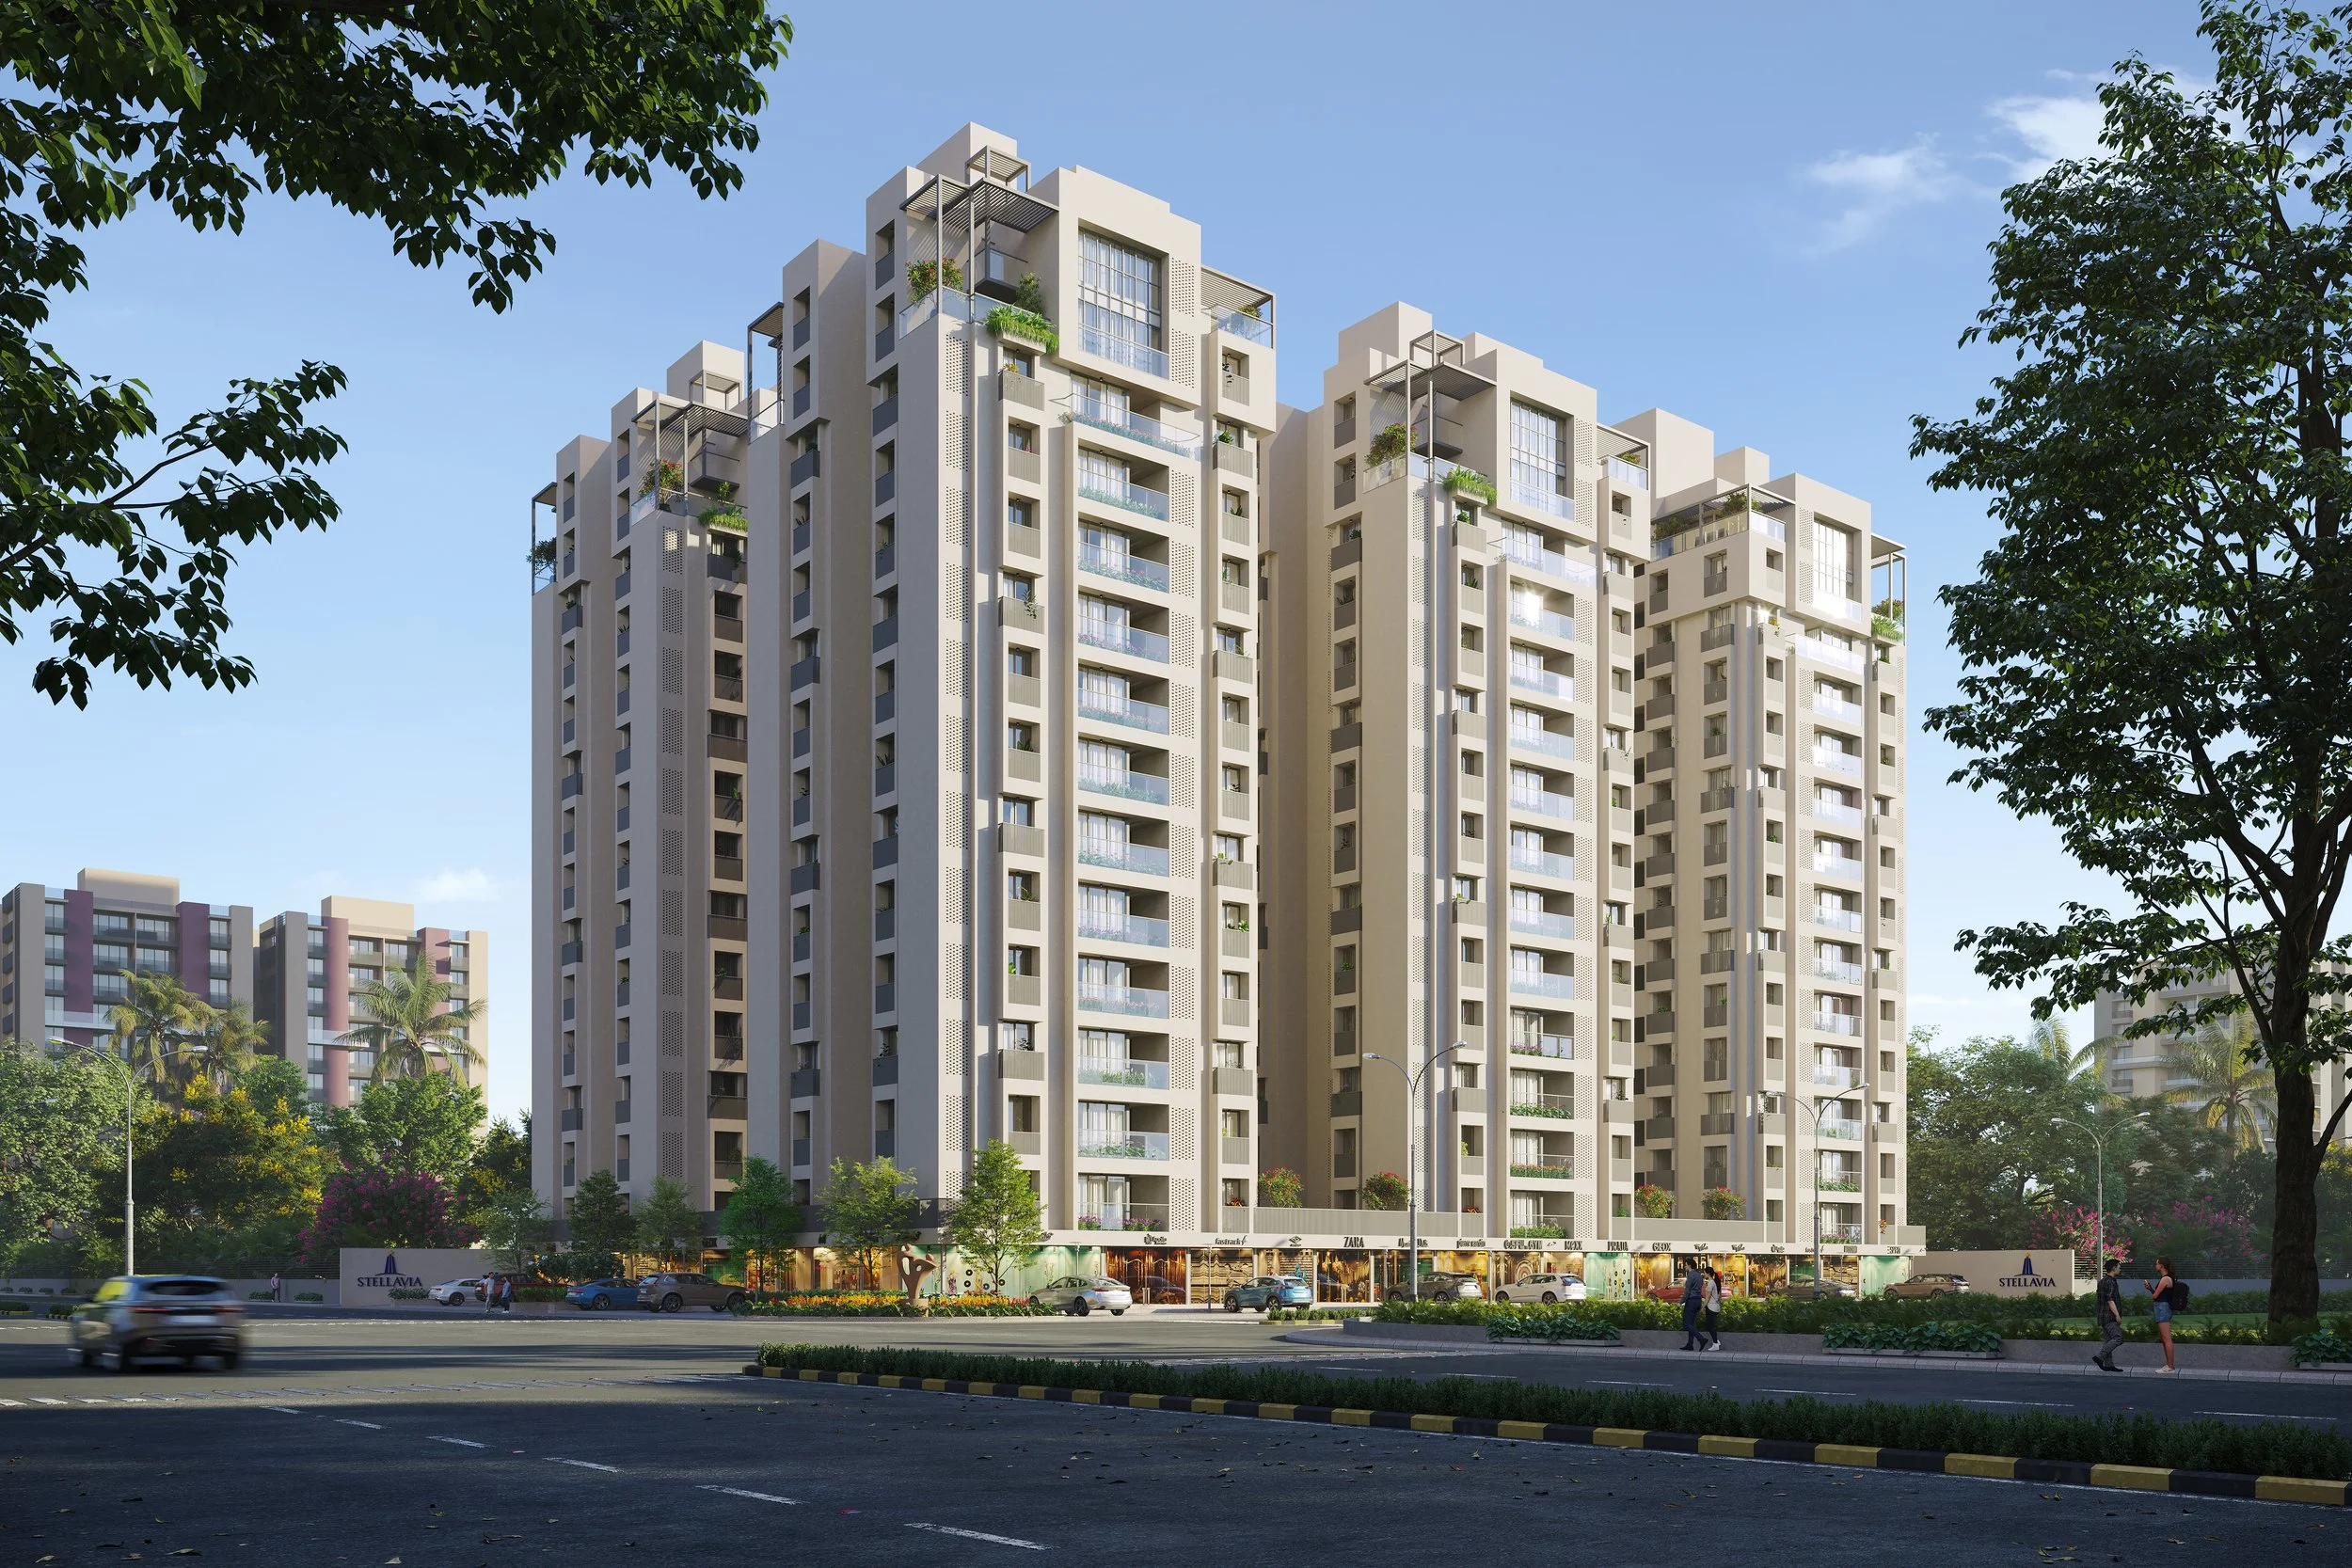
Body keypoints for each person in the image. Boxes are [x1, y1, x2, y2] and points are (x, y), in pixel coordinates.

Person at [2146, 1257, 2180, 1373]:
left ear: (2162, 1265)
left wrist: (2153, 1292)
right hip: (2161, 1307)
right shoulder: (2165, 1279)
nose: (2155, 1266)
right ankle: (2168, 1365)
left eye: (2157, 1264)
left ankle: (2170, 1366)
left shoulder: (2166, 1279)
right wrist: (2150, 1288)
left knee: (2167, 1338)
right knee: (2164, 1338)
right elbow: (2157, 1294)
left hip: (2162, 1308)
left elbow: (2155, 1296)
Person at [2091, 1258, 2124, 1371]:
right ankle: (2100, 1357)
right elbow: (2110, 1300)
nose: (2120, 1269)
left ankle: (2109, 1364)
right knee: (2118, 1338)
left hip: (2103, 1315)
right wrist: (2117, 1315)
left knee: (2108, 1339)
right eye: (2119, 1267)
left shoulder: (2103, 1281)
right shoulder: (2110, 1281)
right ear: (2114, 1268)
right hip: (2109, 1316)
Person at [1679, 1258, 1706, 1351]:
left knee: (1686, 1324)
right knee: (1692, 1324)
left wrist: (1680, 1302)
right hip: (1698, 1300)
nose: (1684, 1266)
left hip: (1691, 1301)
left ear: (1689, 1265)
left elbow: (1687, 1291)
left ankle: (1701, 1339)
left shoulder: (1690, 1275)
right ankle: (1690, 1344)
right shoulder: (1699, 1276)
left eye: (1685, 1265)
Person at [1701, 1266, 1724, 1351]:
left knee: (1709, 1325)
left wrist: (1702, 1307)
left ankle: (1715, 1343)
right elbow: (1720, 1297)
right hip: (1716, 1307)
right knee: (1711, 1325)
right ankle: (1716, 1341)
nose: (1704, 1274)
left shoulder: (1711, 1283)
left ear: (1708, 1273)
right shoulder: (1715, 1283)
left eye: (1704, 1273)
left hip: (1711, 1307)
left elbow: (1707, 1298)